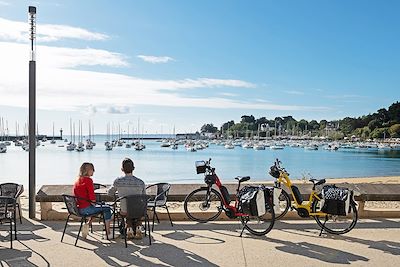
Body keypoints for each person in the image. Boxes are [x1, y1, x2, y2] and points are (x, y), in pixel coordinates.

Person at [73, 162, 113, 240]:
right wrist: (96, 203)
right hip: (87, 209)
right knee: (107, 208)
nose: (94, 171)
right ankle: (108, 233)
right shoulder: (88, 180)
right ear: (88, 170)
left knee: (100, 205)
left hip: (79, 209)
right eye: (92, 169)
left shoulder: (77, 180)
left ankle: (88, 224)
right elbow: (92, 198)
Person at [108, 158, 145, 239]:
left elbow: (110, 193)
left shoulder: (118, 181)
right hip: (138, 211)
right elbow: (144, 196)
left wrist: (119, 193)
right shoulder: (141, 182)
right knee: (135, 211)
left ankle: (129, 227)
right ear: (133, 168)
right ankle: (138, 226)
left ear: (122, 169)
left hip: (124, 211)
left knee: (125, 211)